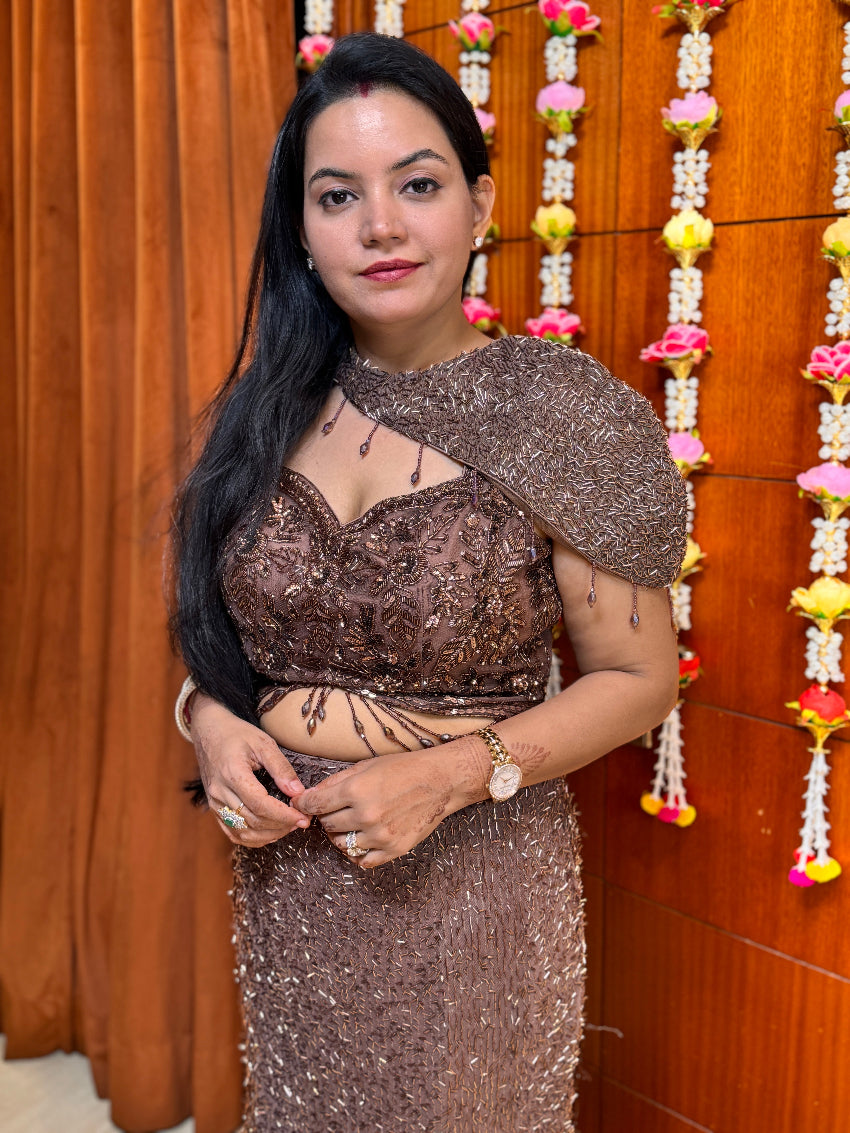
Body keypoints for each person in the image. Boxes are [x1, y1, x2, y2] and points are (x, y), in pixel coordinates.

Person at [169, 31, 687, 1133]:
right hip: (294, 877)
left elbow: (641, 677)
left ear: (479, 202)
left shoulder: (565, 417)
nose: (381, 226)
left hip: (477, 874)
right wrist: (211, 722)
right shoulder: (263, 412)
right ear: (300, 230)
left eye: (417, 183)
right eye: (336, 195)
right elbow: (221, 643)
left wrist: (457, 772)